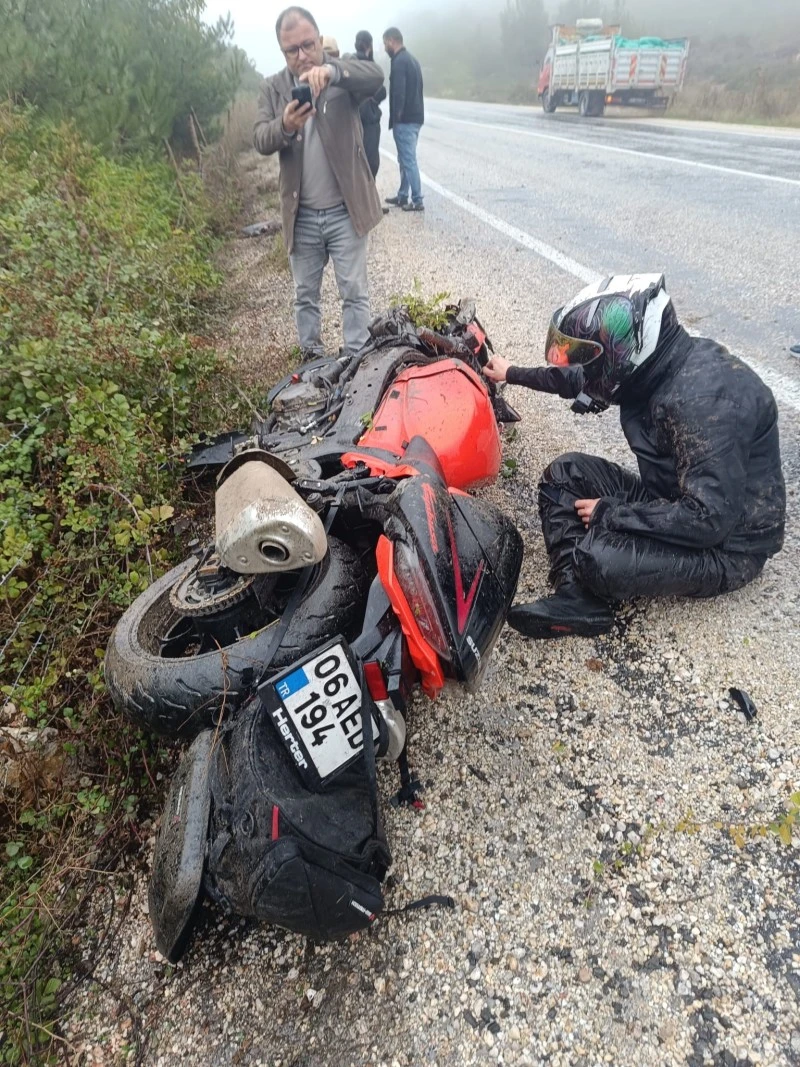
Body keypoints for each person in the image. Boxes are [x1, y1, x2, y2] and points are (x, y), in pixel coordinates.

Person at [482, 274, 786, 639]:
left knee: (599, 557)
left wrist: (612, 513)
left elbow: (708, 520)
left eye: (597, 362)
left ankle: (586, 578)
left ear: (626, 353)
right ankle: (575, 598)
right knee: (564, 474)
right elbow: (576, 378)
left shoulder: (705, 403)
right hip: (673, 498)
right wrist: (511, 374)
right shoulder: (653, 367)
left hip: (729, 546)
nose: (591, 376)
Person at [254, 7, 384, 357]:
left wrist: (333, 70)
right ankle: (311, 362)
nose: (301, 56)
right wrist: (284, 125)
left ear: (319, 39)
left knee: (354, 292)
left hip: (346, 211)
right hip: (303, 215)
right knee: (305, 296)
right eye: (291, 50)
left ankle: (357, 362)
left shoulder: (341, 75)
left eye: (308, 45)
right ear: (282, 51)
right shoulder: (273, 88)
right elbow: (259, 139)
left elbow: (375, 76)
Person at [382, 27, 424, 213]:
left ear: (392, 41)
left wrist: (397, 117)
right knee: (405, 159)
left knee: (408, 159)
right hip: (416, 117)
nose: (385, 47)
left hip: (405, 120)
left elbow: (399, 91)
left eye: (385, 44)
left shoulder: (399, 62)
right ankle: (402, 195)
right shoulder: (413, 60)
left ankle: (416, 200)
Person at [354, 30, 387, 180]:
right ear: (369, 46)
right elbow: (382, 91)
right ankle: (367, 198)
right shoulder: (371, 66)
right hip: (369, 120)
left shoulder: (349, 64)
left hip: (354, 119)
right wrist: (373, 100)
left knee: (357, 161)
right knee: (371, 162)